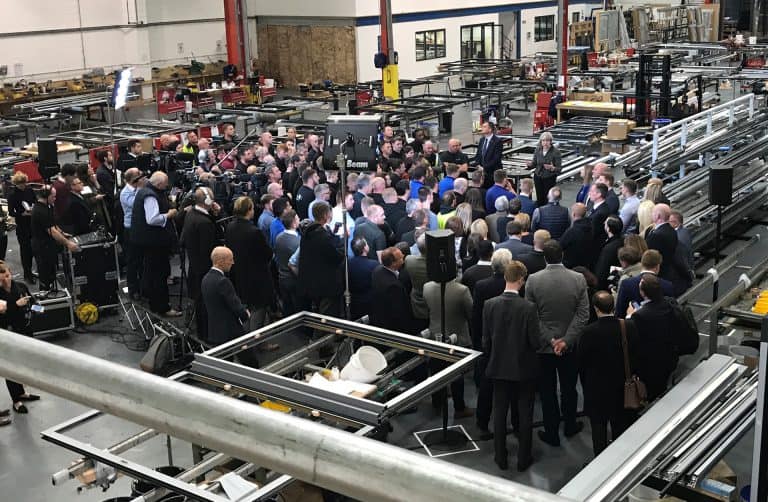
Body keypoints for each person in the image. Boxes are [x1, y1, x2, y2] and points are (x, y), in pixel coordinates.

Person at [525, 240, 590, 446]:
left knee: (547, 391)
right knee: (569, 388)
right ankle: (570, 425)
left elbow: (532, 316)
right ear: (562, 255)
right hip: (569, 347)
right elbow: (583, 315)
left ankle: (551, 431)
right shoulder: (578, 279)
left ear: (544, 257)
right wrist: (566, 341)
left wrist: (551, 340)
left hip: (545, 347)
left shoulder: (533, 280)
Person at [483, 260, 543, 471]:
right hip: (524, 370)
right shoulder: (528, 308)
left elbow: (486, 341)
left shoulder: (489, 305)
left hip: (498, 367)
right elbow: (535, 342)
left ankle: (501, 457)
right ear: (521, 280)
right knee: (525, 415)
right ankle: (523, 459)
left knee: (499, 415)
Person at [578, 291, 639, 455]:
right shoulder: (628, 326)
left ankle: (600, 464)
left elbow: (581, 362)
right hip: (621, 389)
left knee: (598, 431)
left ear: (596, 309)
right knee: (620, 428)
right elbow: (636, 355)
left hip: (596, 390)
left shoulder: (588, 332)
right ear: (613, 306)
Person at [472, 248, 513, 438]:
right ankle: (515, 424)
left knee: (486, 387)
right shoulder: (514, 287)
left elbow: (476, 317)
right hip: (510, 343)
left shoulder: (481, 286)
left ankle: (482, 422)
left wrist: (478, 344)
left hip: (487, 343)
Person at [424, 265, 474, 419]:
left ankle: (437, 401)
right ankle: (459, 407)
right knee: (456, 375)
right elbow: (470, 312)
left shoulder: (427, 287)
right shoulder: (462, 290)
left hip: (434, 336)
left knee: (436, 370)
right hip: (456, 337)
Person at [131, 172, 180, 317]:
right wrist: (168, 215)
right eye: (165, 184)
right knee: (159, 274)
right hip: (154, 242)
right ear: (158, 184)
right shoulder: (150, 196)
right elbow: (152, 219)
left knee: (150, 272)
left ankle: (152, 300)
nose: (166, 187)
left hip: (146, 241)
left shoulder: (145, 190)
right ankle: (162, 306)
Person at [626, 274, 678, 401]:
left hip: (649, 362)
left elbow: (633, 337)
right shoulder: (669, 303)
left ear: (642, 292)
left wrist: (629, 316)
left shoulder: (639, 315)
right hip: (669, 355)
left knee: (651, 392)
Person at [225, 197, 274, 330]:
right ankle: (257, 342)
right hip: (257, 277)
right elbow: (268, 254)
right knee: (259, 309)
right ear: (248, 210)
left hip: (239, 274)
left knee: (245, 307)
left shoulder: (229, 227)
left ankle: (247, 338)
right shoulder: (254, 232)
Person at [0, 260, 41, 418]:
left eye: (8, 275)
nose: (6, 279)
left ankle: (22, 392)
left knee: (23, 364)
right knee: (11, 368)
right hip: (9, 333)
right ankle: (16, 399)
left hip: (25, 331)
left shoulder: (21, 287)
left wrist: (40, 309)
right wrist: (15, 306)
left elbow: (33, 304)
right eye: (2, 277)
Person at [298, 202, 344, 316]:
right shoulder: (322, 236)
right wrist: (342, 246)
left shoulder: (308, 234)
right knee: (326, 316)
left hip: (313, 283)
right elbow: (336, 256)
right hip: (325, 286)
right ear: (325, 215)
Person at [31, 186, 79, 291]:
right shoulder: (40, 211)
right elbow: (52, 231)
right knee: (46, 275)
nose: (55, 199)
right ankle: (46, 295)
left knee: (52, 273)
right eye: (53, 196)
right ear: (46, 196)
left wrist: (62, 233)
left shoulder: (48, 207)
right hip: (42, 247)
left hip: (49, 245)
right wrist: (68, 244)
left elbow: (53, 224)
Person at [201, 247, 250, 346]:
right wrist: (245, 314)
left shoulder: (205, 279)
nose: (233, 263)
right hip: (231, 331)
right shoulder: (223, 282)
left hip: (215, 331)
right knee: (249, 360)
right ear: (220, 261)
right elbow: (235, 304)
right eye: (230, 259)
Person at [615, 250, 675, 318]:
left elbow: (619, 313)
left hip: (634, 326)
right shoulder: (667, 285)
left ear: (642, 263)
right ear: (658, 266)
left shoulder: (626, 284)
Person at [370, 247, 413, 334]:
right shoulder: (394, 286)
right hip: (391, 327)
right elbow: (400, 312)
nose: (403, 257)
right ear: (393, 263)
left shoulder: (377, 270)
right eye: (401, 257)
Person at [119, 169, 145, 300]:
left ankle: (143, 287)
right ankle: (133, 289)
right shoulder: (125, 193)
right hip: (130, 230)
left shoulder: (138, 188)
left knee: (142, 260)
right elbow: (136, 204)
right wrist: (140, 189)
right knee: (132, 261)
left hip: (141, 228)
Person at [8, 172, 37, 283]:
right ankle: (27, 274)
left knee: (34, 248)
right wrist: (21, 214)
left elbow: (35, 201)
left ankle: (33, 271)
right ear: (16, 184)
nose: (23, 186)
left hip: (32, 223)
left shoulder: (29, 190)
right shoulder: (12, 196)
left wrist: (33, 208)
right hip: (22, 226)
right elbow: (11, 212)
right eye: (21, 184)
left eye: (24, 183)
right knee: (25, 251)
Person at [274, 209, 300, 315]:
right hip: (293, 279)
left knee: (288, 308)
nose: (300, 220)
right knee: (298, 308)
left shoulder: (278, 238)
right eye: (298, 218)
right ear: (294, 223)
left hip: (282, 278)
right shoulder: (297, 242)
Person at [644, 203, 678, 282]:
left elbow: (648, 255)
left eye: (653, 212)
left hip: (658, 275)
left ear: (658, 216)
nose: (651, 214)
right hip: (668, 272)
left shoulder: (656, 236)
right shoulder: (672, 230)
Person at [347, 237, 378, 320]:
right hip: (370, 303)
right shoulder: (374, 264)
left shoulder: (347, 264)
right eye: (366, 244)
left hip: (354, 302)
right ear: (365, 248)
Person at [529, 132, 562, 207]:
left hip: (549, 178)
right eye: (543, 140)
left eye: (547, 140)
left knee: (547, 198)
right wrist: (530, 164)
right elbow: (534, 163)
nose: (545, 143)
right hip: (538, 177)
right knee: (539, 197)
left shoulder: (556, 152)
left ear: (551, 141)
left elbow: (559, 169)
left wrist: (552, 168)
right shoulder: (538, 149)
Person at [560, 203, 593, 269]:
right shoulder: (591, 227)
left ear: (573, 214)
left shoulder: (571, 231)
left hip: (571, 265)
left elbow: (561, 246)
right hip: (586, 263)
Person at [594, 216, 624, 290]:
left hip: (606, 285)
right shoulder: (623, 241)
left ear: (608, 229)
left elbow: (601, 271)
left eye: (606, 223)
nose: (604, 223)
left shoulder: (609, 249)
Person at [473, 122, 503, 188]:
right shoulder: (482, 140)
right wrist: (477, 164)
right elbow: (478, 154)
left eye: (484, 127)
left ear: (490, 129)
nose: (482, 128)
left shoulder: (497, 141)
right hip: (482, 173)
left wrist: (484, 168)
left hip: (492, 172)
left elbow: (496, 158)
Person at [587, 183, 611, 254]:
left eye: (591, 191)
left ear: (599, 194)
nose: (589, 193)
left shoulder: (600, 213)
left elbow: (592, 234)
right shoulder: (600, 207)